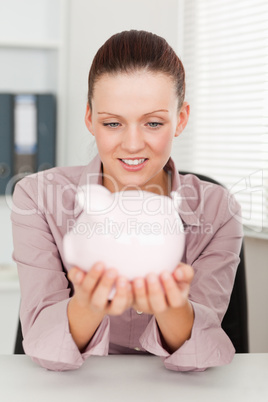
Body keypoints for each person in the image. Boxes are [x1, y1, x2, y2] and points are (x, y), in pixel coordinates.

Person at [11, 30, 243, 372]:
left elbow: (203, 355)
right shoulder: (38, 199)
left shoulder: (217, 210)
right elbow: (43, 346)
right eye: (113, 123)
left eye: (153, 122)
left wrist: (170, 305)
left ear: (180, 119)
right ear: (90, 118)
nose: (133, 145)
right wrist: (88, 303)